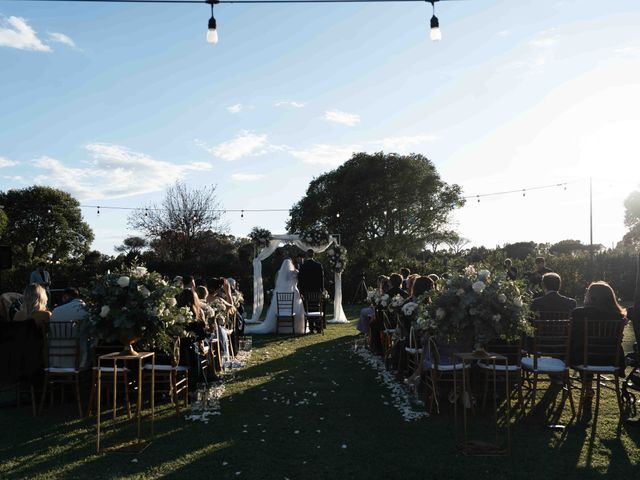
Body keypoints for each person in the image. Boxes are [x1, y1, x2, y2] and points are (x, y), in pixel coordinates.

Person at [570, 282, 627, 376]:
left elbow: (571, 334)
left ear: (591, 297)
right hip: (611, 359)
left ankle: (586, 384)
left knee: (578, 346)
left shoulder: (579, 313)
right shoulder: (618, 316)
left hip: (584, 359)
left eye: (587, 293)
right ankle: (587, 385)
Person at [246, 258, 305, 334]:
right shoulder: (295, 272)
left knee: (278, 308)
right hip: (294, 293)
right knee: (296, 309)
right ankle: (295, 328)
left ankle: (278, 327)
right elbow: (299, 279)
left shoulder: (280, 273)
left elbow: (277, 283)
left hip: (280, 293)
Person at [49, 288, 90, 368]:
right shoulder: (86, 310)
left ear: (66, 297)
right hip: (78, 358)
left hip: (56, 358)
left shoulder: (55, 311)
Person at [298, 249, 324, 333]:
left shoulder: (303, 266)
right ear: (313, 255)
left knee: (308, 308)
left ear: (306, 255)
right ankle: (319, 327)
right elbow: (321, 279)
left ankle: (312, 328)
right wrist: (322, 290)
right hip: (316, 291)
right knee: (317, 307)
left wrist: (301, 292)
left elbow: (300, 280)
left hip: (306, 291)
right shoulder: (318, 265)